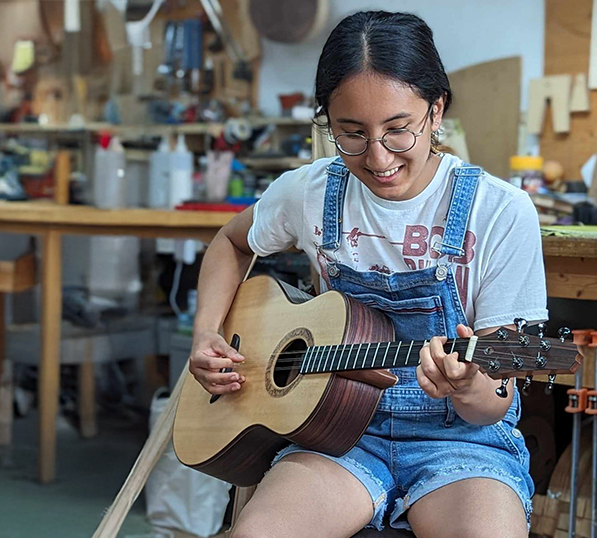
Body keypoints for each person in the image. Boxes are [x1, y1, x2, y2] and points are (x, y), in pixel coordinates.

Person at [188, 11, 548, 538]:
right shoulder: (310, 192)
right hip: (337, 438)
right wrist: (206, 331)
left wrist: (469, 384)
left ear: (436, 110)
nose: (378, 158)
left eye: (399, 130)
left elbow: (494, 403)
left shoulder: (499, 211)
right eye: (351, 134)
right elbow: (230, 241)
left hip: (462, 444)